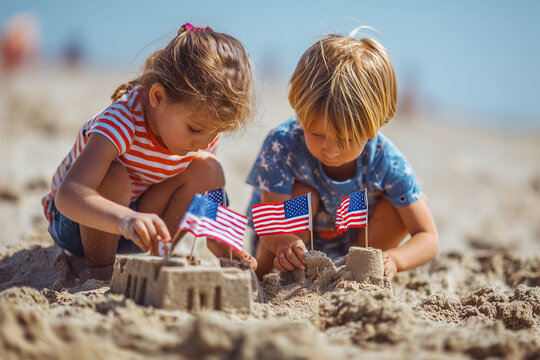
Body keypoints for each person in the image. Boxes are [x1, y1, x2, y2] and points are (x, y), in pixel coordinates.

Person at [42, 23, 257, 281]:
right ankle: (99, 268)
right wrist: (124, 218)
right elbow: (68, 194)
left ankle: (160, 254)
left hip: (138, 226)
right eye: (195, 129)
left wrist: (220, 238)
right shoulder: (122, 121)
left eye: (215, 133)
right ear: (157, 97)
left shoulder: (202, 134)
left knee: (208, 168)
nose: (205, 141)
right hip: (79, 223)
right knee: (115, 176)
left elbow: (211, 191)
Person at [247, 30, 438, 279]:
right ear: (300, 114)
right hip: (283, 248)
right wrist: (285, 242)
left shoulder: (386, 160)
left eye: (347, 140)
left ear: (374, 125)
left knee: (402, 202)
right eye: (316, 133)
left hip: (355, 248)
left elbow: (428, 237)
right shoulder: (283, 144)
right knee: (304, 195)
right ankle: (266, 275)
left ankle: (358, 272)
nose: (331, 149)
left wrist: (396, 260)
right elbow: (270, 220)